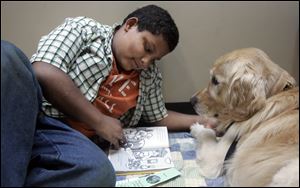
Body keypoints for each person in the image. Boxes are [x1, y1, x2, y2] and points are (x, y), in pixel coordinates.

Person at [1, 4, 217, 187]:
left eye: (154, 59)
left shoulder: (149, 75)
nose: (146, 62)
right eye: (147, 48)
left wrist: (204, 121)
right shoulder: (84, 30)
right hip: (34, 115)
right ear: (130, 25)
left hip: (66, 141)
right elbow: (43, 70)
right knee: (6, 55)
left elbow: (158, 116)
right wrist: (99, 121)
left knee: (101, 175)